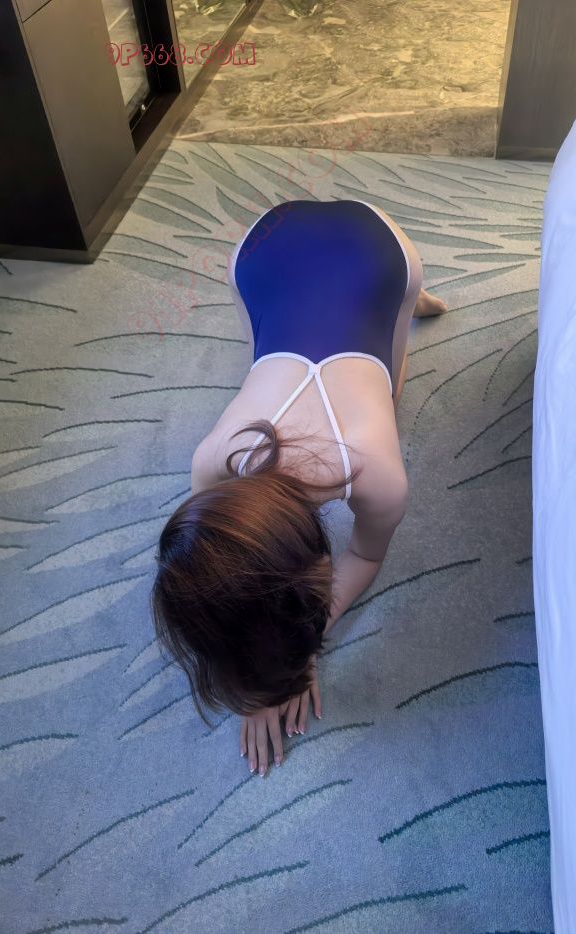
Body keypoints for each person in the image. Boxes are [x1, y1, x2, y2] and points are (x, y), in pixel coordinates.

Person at [150, 198, 446, 777]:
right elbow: (215, 582)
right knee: (261, 358)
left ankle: (415, 296)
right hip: (258, 254)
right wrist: (271, 659)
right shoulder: (213, 460)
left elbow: (366, 554)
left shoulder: (375, 473)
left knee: (390, 387)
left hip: (380, 248)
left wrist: (300, 645)